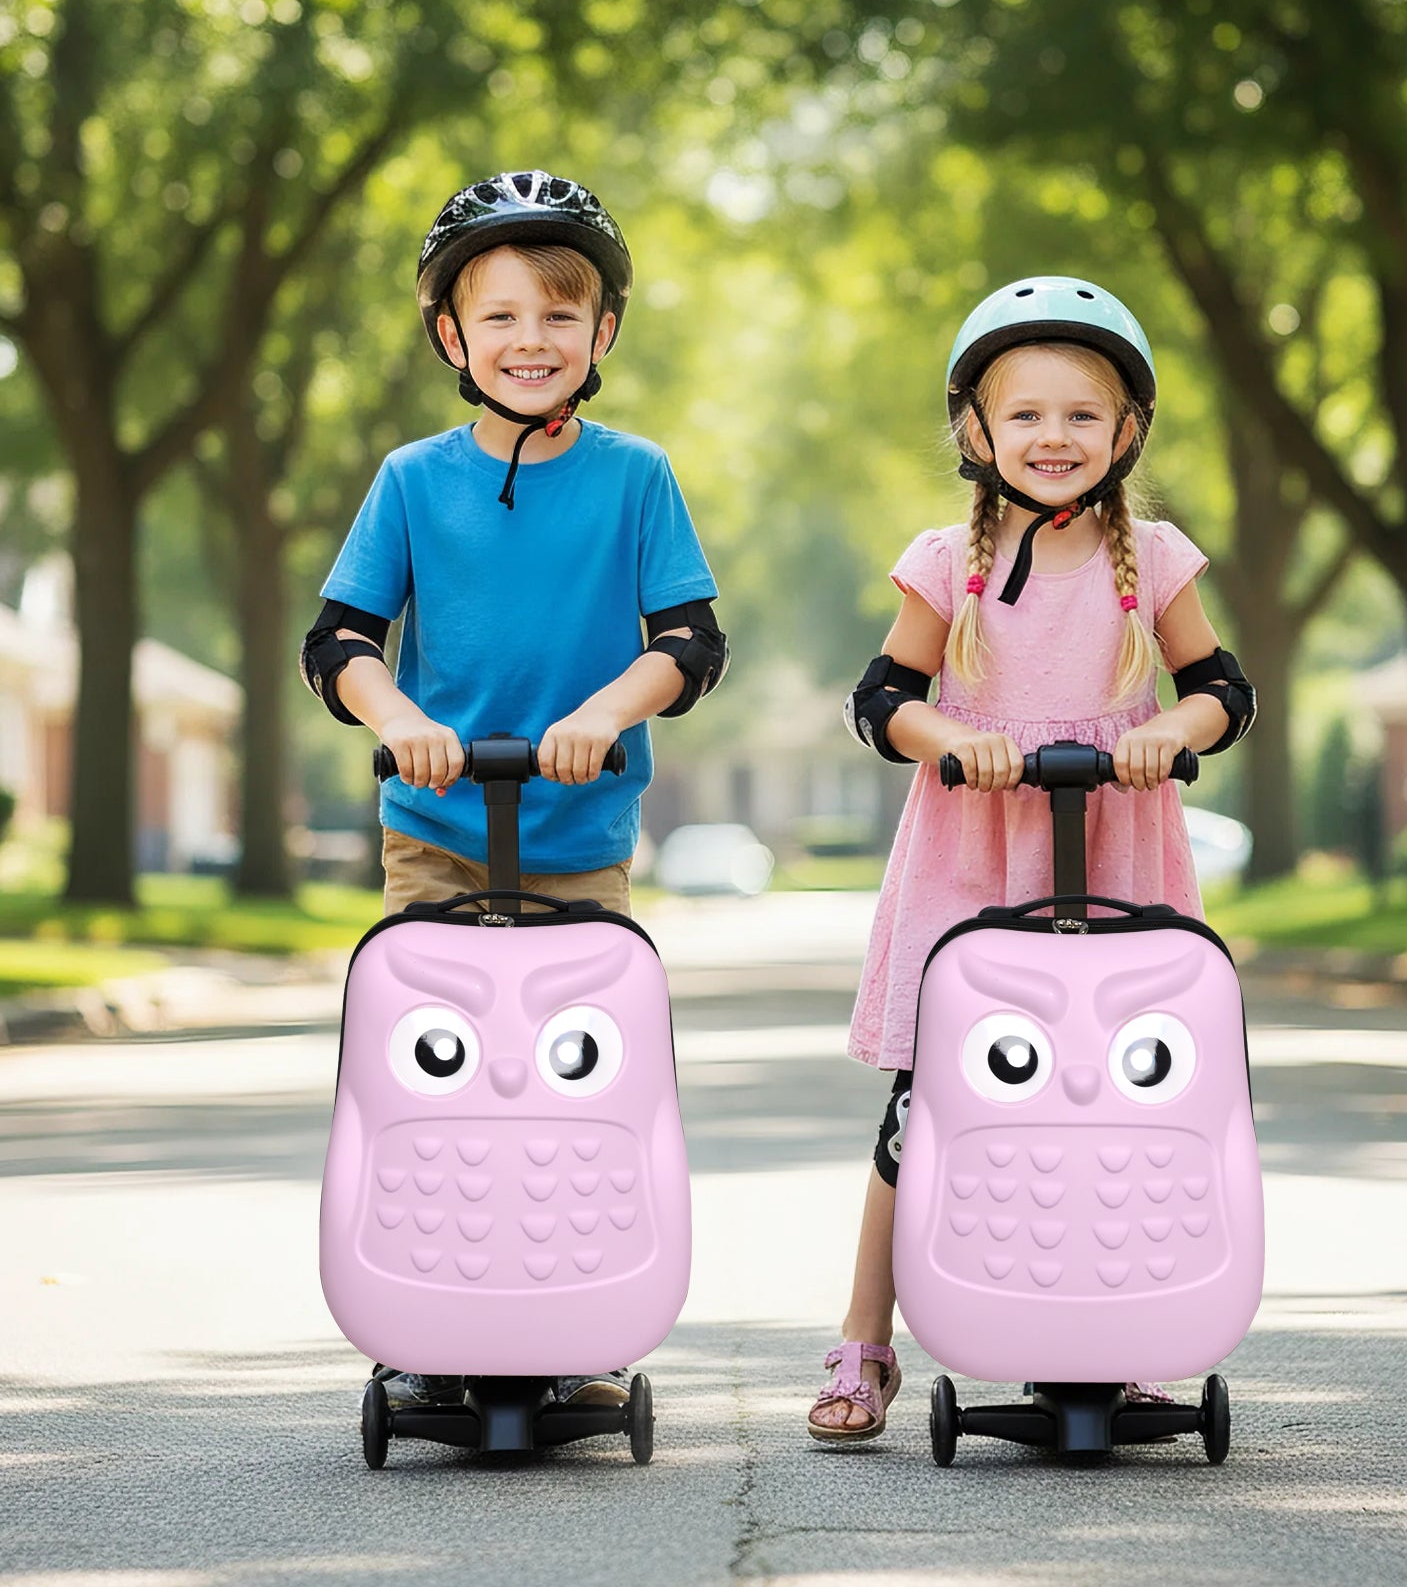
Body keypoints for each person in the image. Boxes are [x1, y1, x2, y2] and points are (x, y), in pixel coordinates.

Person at [300, 170, 726, 1412]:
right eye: (499, 316)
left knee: (573, 1076)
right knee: (433, 1077)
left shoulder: (635, 476)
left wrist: (604, 711)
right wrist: (404, 719)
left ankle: (579, 1302)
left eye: (557, 315)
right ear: (451, 335)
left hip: (577, 832)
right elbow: (337, 641)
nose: (528, 341)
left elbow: (690, 640)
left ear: (602, 336)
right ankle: (429, 1304)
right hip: (435, 831)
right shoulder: (411, 479)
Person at [809, 277, 1257, 1442]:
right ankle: (866, 1338)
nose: (1052, 437)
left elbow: (1222, 688)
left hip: (1120, 850)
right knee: (930, 1105)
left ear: (1125, 434)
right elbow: (882, 697)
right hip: (974, 858)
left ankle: (1136, 1326)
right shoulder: (941, 564)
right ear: (976, 430)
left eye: (1080, 415)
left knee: (1124, 1099)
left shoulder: (1150, 560)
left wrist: (1170, 728)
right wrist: (952, 738)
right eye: (1024, 415)